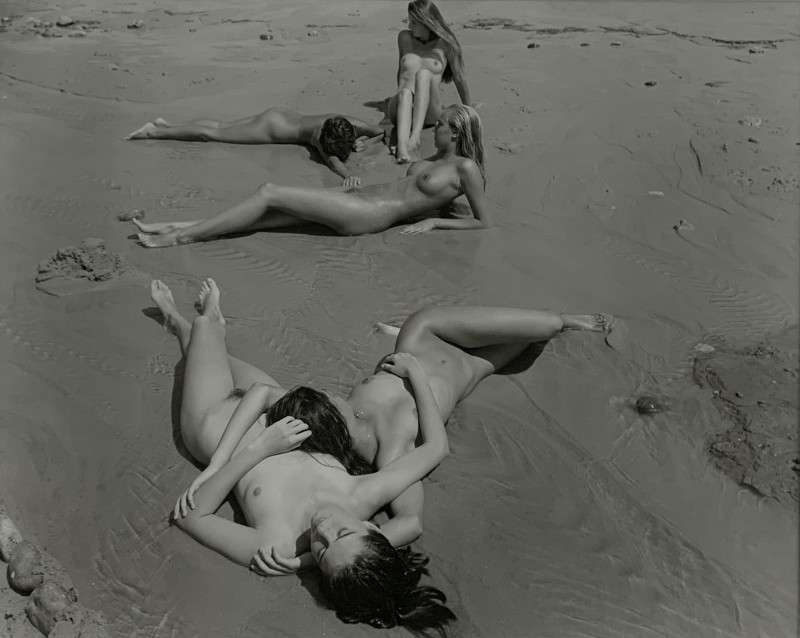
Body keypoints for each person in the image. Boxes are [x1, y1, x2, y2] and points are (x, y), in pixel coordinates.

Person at [151, 278, 456, 635]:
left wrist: (258, 450)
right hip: (265, 401)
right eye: (342, 532)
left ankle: (179, 319)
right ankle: (203, 327)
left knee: (203, 331)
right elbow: (436, 448)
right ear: (372, 528)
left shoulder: (275, 546)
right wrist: (416, 375)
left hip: (211, 418)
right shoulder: (362, 494)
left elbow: (190, 518)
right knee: (212, 350)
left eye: (322, 551)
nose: (322, 530)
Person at [134, 105, 489, 247]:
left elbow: (484, 221)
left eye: (440, 125)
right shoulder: (434, 160)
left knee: (270, 192)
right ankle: (176, 225)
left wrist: (434, 222)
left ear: (456, 133)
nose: (434, 128)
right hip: (359, 198)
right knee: (270, 217)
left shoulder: (465, 168)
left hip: (368, 214)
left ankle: (183, 238)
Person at [124, 109, 386, 187]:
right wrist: (348, 175)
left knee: (221, 124)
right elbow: (333, 163)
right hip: (271, 129)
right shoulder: (321, 137)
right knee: (213, 135)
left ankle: (168, 125)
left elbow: (382, 132)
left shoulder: (348, 123)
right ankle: (154, 132)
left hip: (279, 114)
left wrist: (366, 142)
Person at [389, 0, 472, 164]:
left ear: (427, 23)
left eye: (414, 23)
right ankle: (402, 147)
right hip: (401, 107)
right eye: (409, 21)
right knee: (405, 92)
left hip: (429, 112)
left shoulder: (446, 44)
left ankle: (414, 138)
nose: (410, 26)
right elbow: (401, 73)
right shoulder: (404, 38)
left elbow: (459, 77)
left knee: (424, 74)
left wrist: (469, 110)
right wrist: (403, 100)